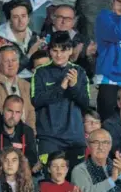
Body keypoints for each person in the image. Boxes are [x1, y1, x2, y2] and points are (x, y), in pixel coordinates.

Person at [31, 31, 90, 167]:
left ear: (70, 51)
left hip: (75, 138)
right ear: (49, 51)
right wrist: (61, 88)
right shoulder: (40, 72)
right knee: (49, 179)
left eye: (63, 51)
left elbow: (85, 104)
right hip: (49, 138)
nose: (58, 55)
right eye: (55, 50)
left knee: (75, 180)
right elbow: (36, 101)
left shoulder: (79, 72)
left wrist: (74, 86)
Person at [0, 45, 36, 130]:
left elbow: (30, 112)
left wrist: (31, 133)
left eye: (14, 60)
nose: (11, 64)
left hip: (24, 132)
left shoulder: (26, 84)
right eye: (6, 61)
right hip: (2, 132)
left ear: (18, 62)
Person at [0, 0, 45, 81]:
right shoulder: (1, 40)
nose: (21, 21)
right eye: (15, 17)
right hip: (12, 81)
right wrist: (30, 54)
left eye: (23, 16)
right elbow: (8, 71)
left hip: (35, 78)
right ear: (9, 21)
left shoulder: (35, 37)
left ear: (28, 18)